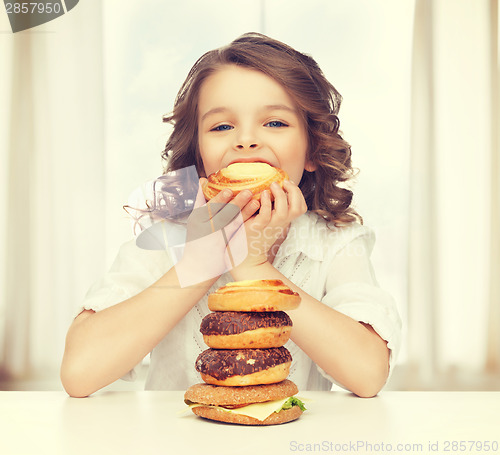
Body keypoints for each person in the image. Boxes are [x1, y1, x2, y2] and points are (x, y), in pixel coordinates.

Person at [60, 33, 401, 398]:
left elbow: (367, 374)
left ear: (311, 152)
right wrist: (201, 262)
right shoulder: (165, 237)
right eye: (222, 126)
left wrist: (253, 266)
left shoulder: (335, 242)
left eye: (275, 123)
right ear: (199, 157)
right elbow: (79, 372)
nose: (246, 140)